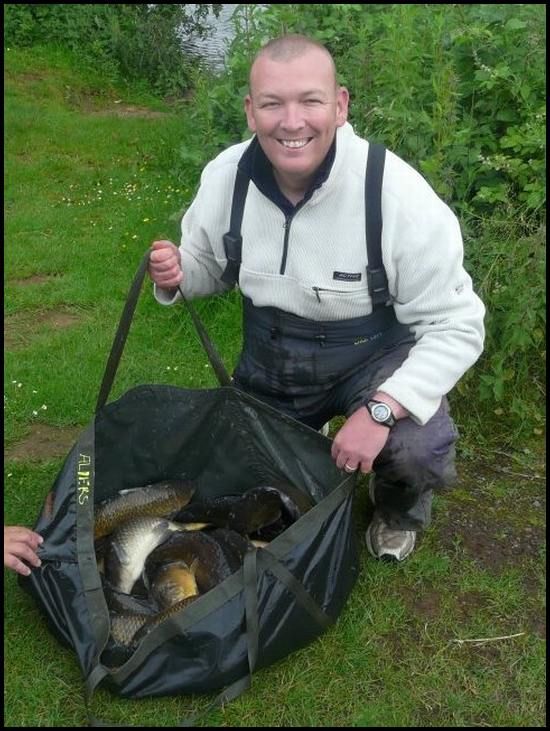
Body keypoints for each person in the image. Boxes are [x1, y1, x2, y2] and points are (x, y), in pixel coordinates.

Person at [148, 34, 485, 562]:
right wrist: (178, 275)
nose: (292, 122)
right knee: (232, 479)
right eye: (272, 104)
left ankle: (398, 510)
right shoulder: (226, 177)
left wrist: (379, 411)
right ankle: (305, 437)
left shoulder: (395, 193)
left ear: (341, 104)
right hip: (272, 355)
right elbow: (210, 269)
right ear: (250, 111)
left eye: (310, 100)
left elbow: (459, 324)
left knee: (416, 448)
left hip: (371, 356)